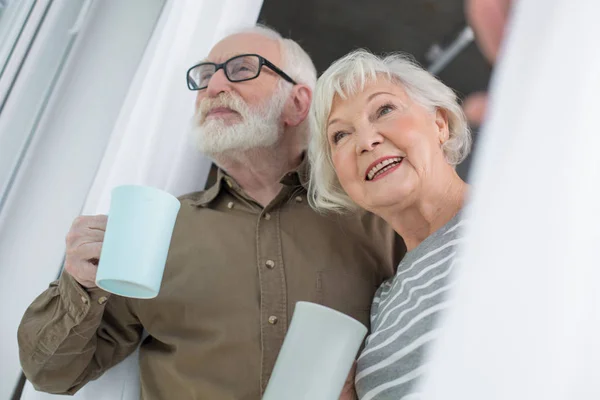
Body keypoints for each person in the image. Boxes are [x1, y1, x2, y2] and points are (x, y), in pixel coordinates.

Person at [17, 26, 405, 400]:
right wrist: (79, 286)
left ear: (298, 102)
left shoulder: (373, 213)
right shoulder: (159, 231)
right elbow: (49, 372)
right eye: (205, 76)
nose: (214, 87)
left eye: (241, 69)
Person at [309, 49, 472, 399]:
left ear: (439, 124)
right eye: (340, 135)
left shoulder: (517, 219)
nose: (366, 142)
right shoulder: (384, 305)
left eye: (384, 110)